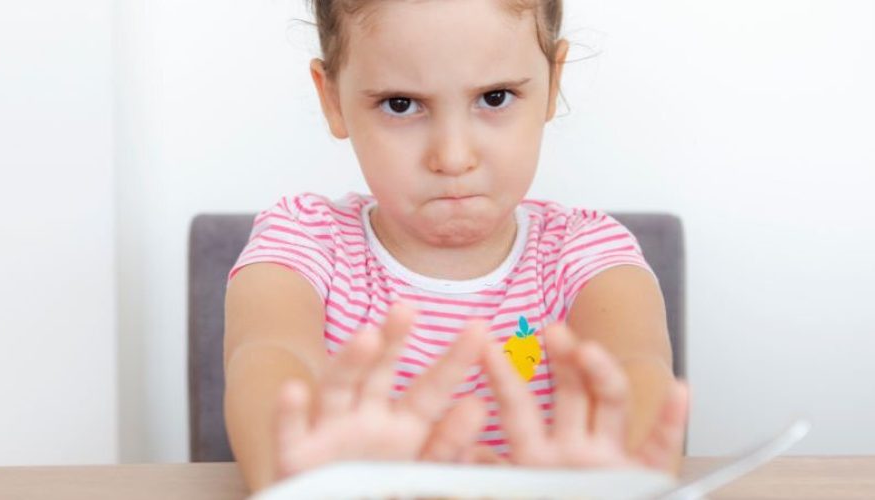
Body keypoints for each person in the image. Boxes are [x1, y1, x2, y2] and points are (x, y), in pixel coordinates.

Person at [223, 0, 689, 490]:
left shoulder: (588, 255)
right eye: (400, 104)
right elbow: (267, 354)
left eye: (494, 97)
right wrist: (297, 475)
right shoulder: (302, 241)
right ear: (333, 99)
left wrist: (614, 475)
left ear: (553, 83)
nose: (452, 156)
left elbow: (637, 369)